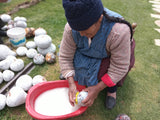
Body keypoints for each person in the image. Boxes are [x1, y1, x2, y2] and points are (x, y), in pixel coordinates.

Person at [59, 0, 135, 110]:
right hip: (87, 51)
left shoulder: (119, 32)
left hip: (109, 55)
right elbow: (65, 55)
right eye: (77, 30)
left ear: (100, 18)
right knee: (74, 65)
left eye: (85, 30)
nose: (81, 34)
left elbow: (118, 67)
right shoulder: (71, 29)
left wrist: (97, 88)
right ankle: (71, 75)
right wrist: (71, 82)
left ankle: (111, 89)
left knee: (104, 72)